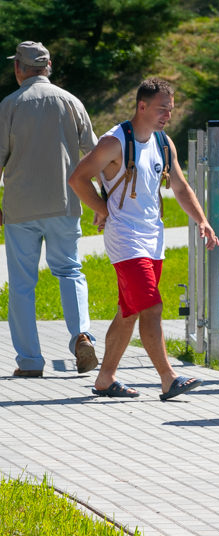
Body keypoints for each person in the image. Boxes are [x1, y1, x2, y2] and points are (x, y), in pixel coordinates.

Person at [68, 78, 219, 399]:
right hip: (125, 239)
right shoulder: (115, 141)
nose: (168, 115)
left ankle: (105, 379)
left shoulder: (164, 143)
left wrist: (202, 221)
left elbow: (180, 187)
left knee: (130, 311)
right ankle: (169, 378)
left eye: (171, 110)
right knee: (152, 307)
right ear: (142, 106)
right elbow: (77, 178)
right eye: (163, 109)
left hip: (153, 239)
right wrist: (103, 209)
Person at [0, 41, 99, 378]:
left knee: (22, 284)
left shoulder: (9, 105)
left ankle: (29, 361)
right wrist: (102, 203)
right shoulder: (71, 102)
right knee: (70, 270)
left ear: (18, 69)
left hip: (20, 208)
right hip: (65, 203)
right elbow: (96, 154)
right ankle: (82, 335)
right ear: (49, 65)